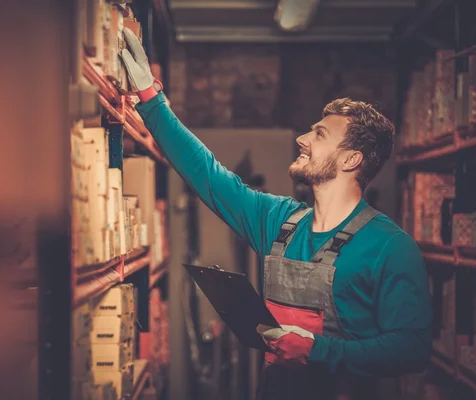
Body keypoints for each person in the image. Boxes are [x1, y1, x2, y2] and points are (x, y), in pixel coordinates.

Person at [120, 29, 432, 400]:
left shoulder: (390, 246)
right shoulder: (280, 222)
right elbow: (207, 175)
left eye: (318, 134)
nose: (303, 139)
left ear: (351, 160)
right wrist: (151, 101)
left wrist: (317, 350)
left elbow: (411, 348)